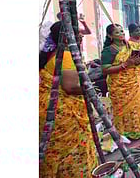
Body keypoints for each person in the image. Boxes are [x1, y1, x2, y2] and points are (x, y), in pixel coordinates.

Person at [39, 21, 97, 177]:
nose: (79, 35)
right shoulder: (65, 56)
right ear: (65, 38)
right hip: (63, 112)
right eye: (75, 33)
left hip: (48, 109)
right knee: (71, 152)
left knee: (55, 151)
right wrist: (90, 89)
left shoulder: (51, 53)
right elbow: (70, 88)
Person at [101, 24, 140, 140]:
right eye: (117, 32)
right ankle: (124, 134)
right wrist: (124, 65)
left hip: (133, 82)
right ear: (110, 36)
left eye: (122, 31)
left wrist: (137, 61)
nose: (121, 34)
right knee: (123, 110)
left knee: (136, 106)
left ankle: (138, 130)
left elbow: (136, 62)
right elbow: (105, 70)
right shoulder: (109, 50)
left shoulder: (130, 46)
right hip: (119, 86)